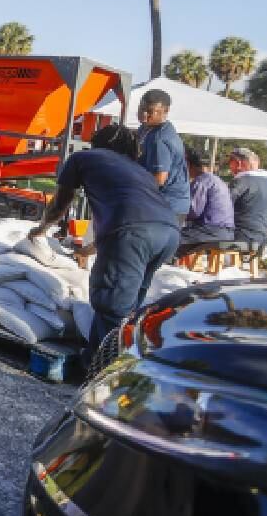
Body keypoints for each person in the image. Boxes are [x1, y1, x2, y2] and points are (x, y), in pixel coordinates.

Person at [29, 124, 179, 353]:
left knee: (112, 305)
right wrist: (89, 250)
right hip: (168, 233)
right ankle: (124, 360)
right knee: (131, 307)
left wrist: (40, 230)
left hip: (134, 233)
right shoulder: (138, 171)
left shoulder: (82, 158)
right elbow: (127, 217)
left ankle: (100, 369)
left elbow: (60, 204)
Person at [135, 89, 191, 219]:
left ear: (165, 112)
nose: (144, 114)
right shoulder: (145, 128)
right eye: (141, 108)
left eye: (150, 111)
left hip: (168, 206)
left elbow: (159, 178)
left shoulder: (159, 139)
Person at [176, 148, 234, 255]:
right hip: (226, 232)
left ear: (188, 164)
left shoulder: (201, 181)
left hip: (211, 231)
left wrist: (174, 213)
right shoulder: (215, 179)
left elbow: (193, 212)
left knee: (170, 238)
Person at [227, 147, 267, 243]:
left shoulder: (240, 182)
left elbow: (222, 207)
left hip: (237, 236)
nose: (229, 166)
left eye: (230, 162)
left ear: (238, 163)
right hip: (263, 237)